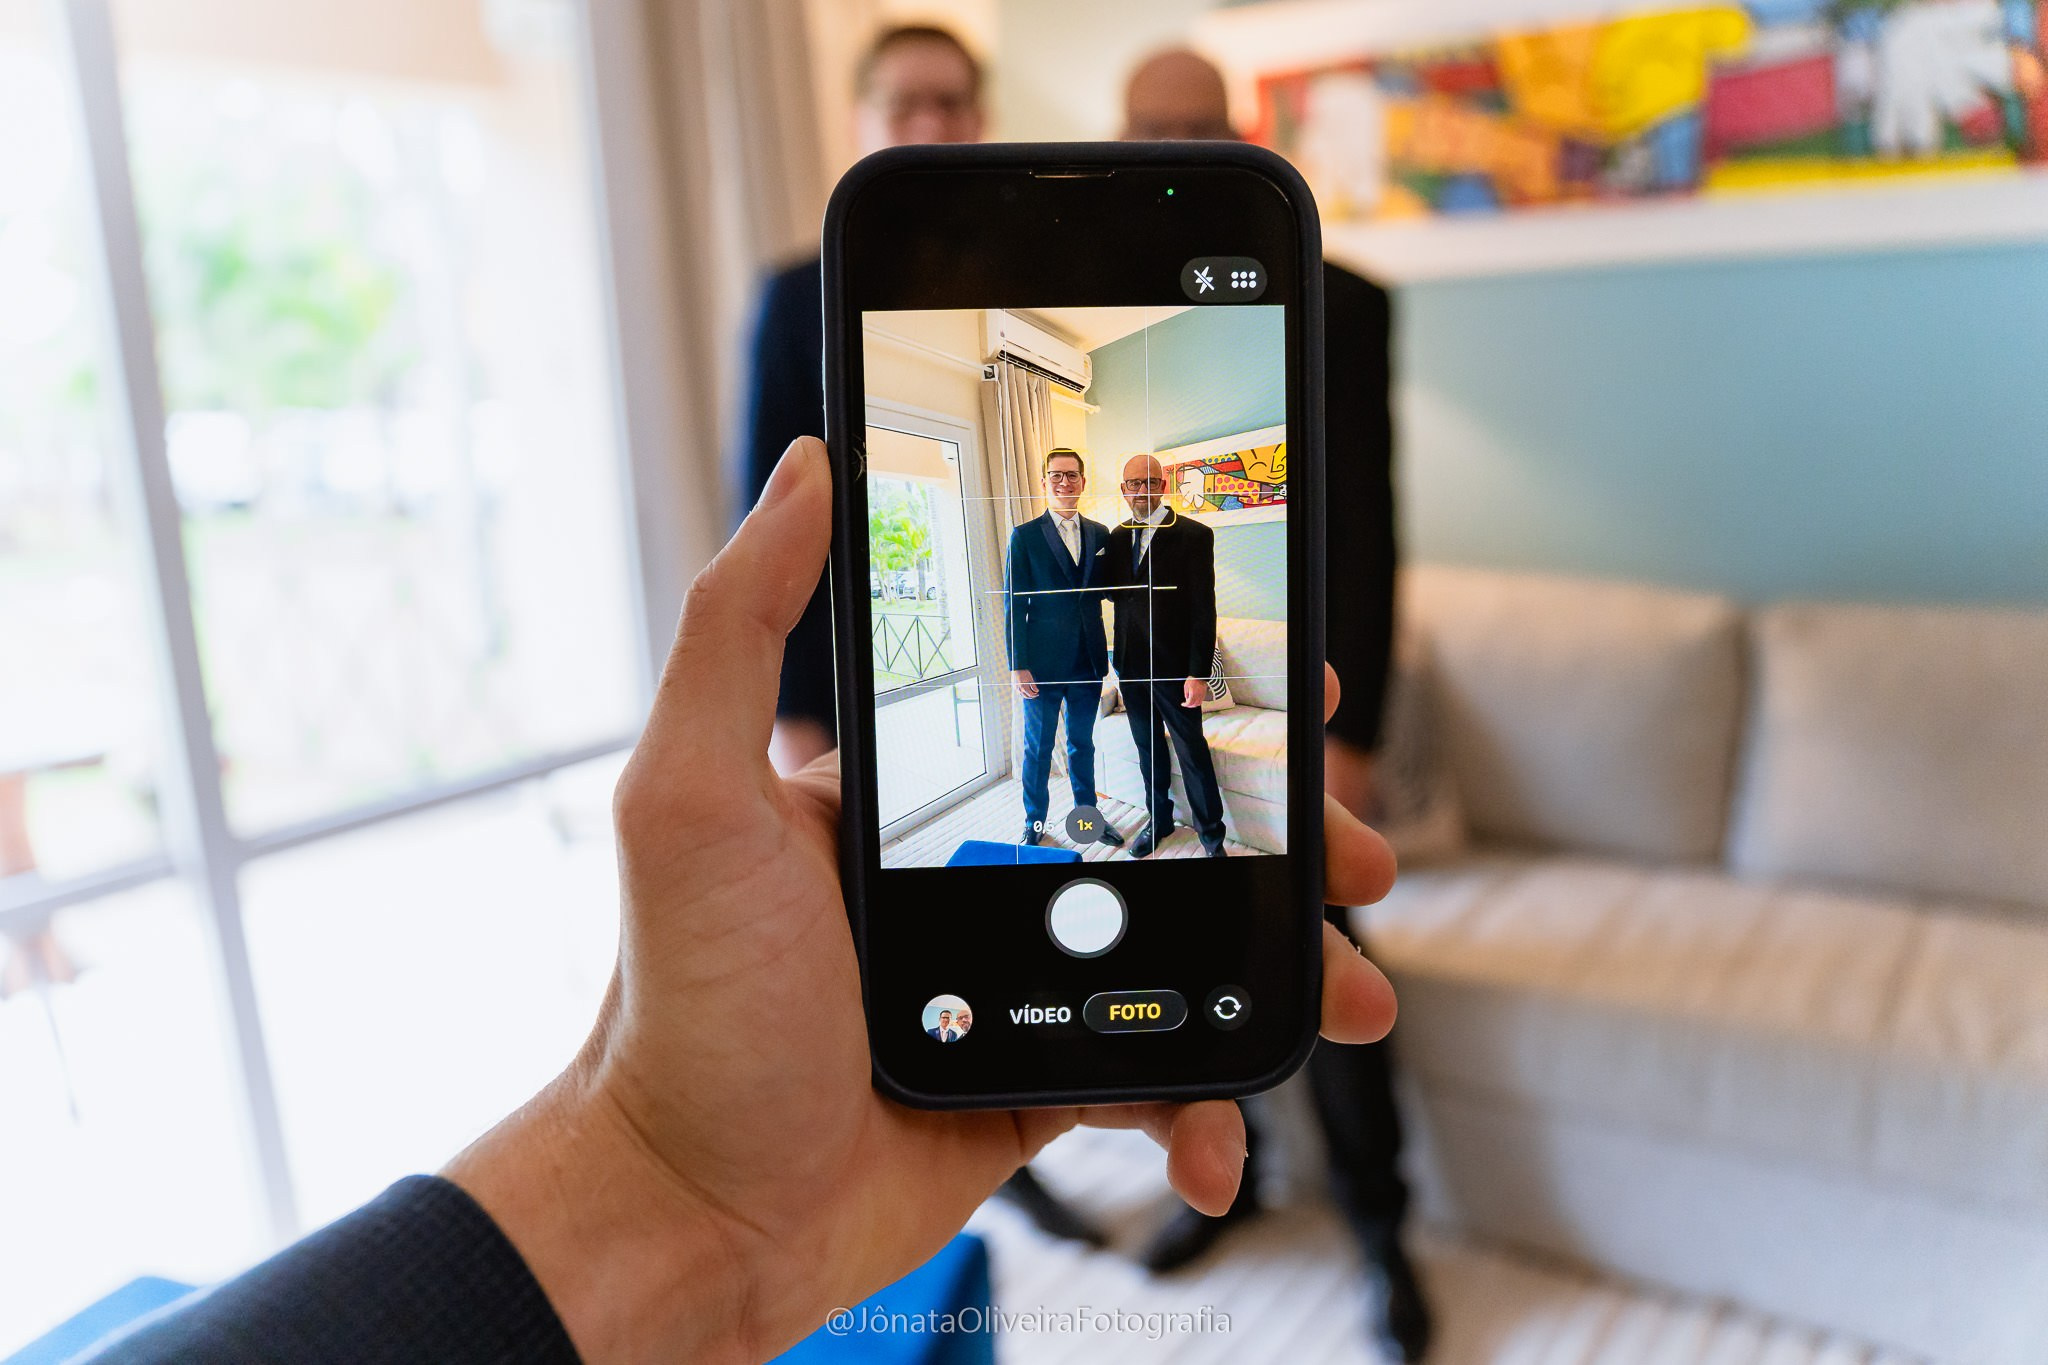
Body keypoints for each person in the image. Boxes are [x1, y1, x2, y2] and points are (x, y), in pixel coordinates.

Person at [86, 439, 1403, 1365]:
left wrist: (658, 1189)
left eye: (1104, 476)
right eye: (1084, 475)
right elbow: (1036, 604)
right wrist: (660, 1178)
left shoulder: (1172, 534)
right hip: (1058, 684)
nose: (1097, 487)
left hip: (1164, 689)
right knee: (1062, 798)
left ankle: (1363, 1211)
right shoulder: (1045, 534)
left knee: (1240, 863)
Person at [1121, 47, 1426, 1363]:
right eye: (1157, 129)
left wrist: (1351, 733)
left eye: (1203, 124)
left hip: (1296, 702)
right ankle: (1226, 1185)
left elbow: (1368, 527)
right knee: (1182, 955)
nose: (1181, 145)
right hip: (1160, 690)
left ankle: (1381, 1232)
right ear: (1126, 139)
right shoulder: (1101, 308)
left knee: (1329, 968)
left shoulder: (1344, 302)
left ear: (1239, 132)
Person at [738, 23, 985, 776]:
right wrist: (793, 717)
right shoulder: (793, 298)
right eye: (905, 104)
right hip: (843, 681)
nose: (931, 125)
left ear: (979, 121)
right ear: (861, 121)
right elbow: (766, 505)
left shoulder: (1024, 282)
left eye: (950, 103)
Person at [1103, 453, 1227, 859]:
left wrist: (1198, 673)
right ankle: (1159, 821)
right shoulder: (1117, 538)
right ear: (1124, 490)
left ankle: (1212, 839)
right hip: (1132, 668)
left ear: (1163, 484)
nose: (1142, 491)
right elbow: (1108, 593)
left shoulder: (1194, 534)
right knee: (1148, 750)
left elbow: (1203, 609)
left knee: (1192, 752)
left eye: (1150, 482)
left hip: (1175, 670)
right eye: (1134, 484)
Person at [1005, 447, 1122, 848]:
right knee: (1037, 750)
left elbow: (1109, 591)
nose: (1064, 482)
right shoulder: (1024, 536)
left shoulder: (1101, 534)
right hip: (1040, 665)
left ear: (1083, 482)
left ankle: (1087, 819)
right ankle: (1034, 823)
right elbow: (1014, 603)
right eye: (1056, 475)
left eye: (1071, 475)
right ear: (1044, 483)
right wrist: (1018, 665)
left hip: (1088, 660)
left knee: (1082, 744)